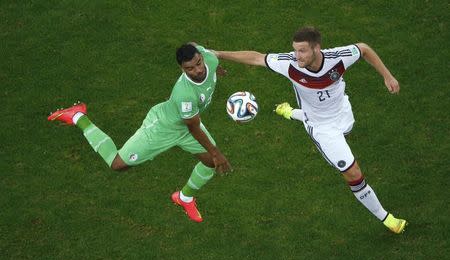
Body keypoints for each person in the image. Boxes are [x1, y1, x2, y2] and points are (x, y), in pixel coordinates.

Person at [214, 26, 407, 233]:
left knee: (347, 131)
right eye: (295, 50)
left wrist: (387, 76)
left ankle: (290, 112)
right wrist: (218, 54)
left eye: (302, 51)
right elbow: (256, 58)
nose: (297, 56)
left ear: (317, 48)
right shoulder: (289, 64)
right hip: (322, 128)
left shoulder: (337, 58)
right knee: (352, 172)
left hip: (342, 112)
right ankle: (387, 218)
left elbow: (364, 49)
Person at [48, 43, 232, 223]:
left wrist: (216, 70)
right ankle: (77, 116)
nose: (198, 70)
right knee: (118, 164)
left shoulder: (208, 59)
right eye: (190, 68)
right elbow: (194, 127)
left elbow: (194, 46)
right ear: (181, 68)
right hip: (163, 127)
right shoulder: (184, 92)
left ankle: (184, 198)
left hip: (187, 125)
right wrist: (217, 152)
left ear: (201, 57)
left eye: (198, 64)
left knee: (210, 161)